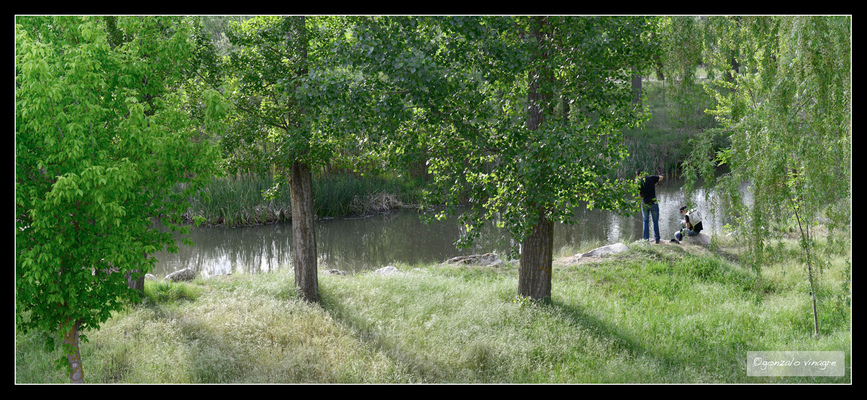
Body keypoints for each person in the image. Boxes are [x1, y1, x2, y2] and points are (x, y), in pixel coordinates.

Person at [637, 170, 663, 243]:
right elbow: (661, 177)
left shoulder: (639, 182)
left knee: (645, 222)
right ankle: (657, 239)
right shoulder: (651, 178)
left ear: (638, 175)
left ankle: (645, 240)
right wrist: (655, 183)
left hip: (645, 204)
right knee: (655, 222)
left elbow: (640, 195)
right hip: (653, 203)